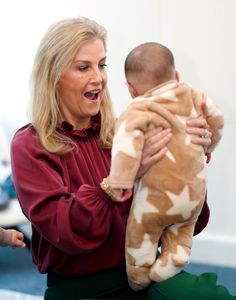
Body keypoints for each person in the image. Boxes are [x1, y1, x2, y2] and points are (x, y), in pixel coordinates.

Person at [10, 17, 234, 300]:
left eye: (102, 65)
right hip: (82, 289)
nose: (99, 78)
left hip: (149, 273)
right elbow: (64, 230)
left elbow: (189, 218)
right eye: (83, 67)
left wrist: (188, 156)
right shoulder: (30, 145)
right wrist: (120, 180)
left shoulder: (124, 131)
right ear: (53, 75)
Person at [108, 42, 224, 290]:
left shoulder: (138, 107)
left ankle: (139, 275)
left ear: (130, 89)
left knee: (141, 232)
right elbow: (218, 119)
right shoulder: (194, 95)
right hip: (193, 196)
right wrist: (209, 143)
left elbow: (125, 144)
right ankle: (177, 254)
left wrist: (120, 181)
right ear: (178, 76)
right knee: (182, 230)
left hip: (155, 200)